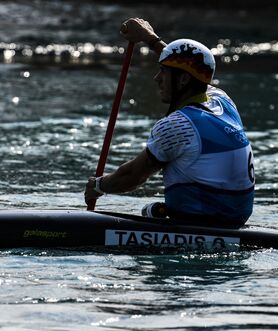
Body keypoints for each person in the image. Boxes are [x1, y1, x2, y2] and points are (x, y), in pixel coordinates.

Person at [84, 18, 254, 228]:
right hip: (235, 219)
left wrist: (99, 186)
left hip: (201, 223)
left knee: (149, 209)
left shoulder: (178, 125)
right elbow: (195, 69)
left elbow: (132, 177)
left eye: (163, 72)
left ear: (182, 80)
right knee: (150, 211)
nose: (156, 78)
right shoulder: (224, 102)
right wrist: (150, 39)